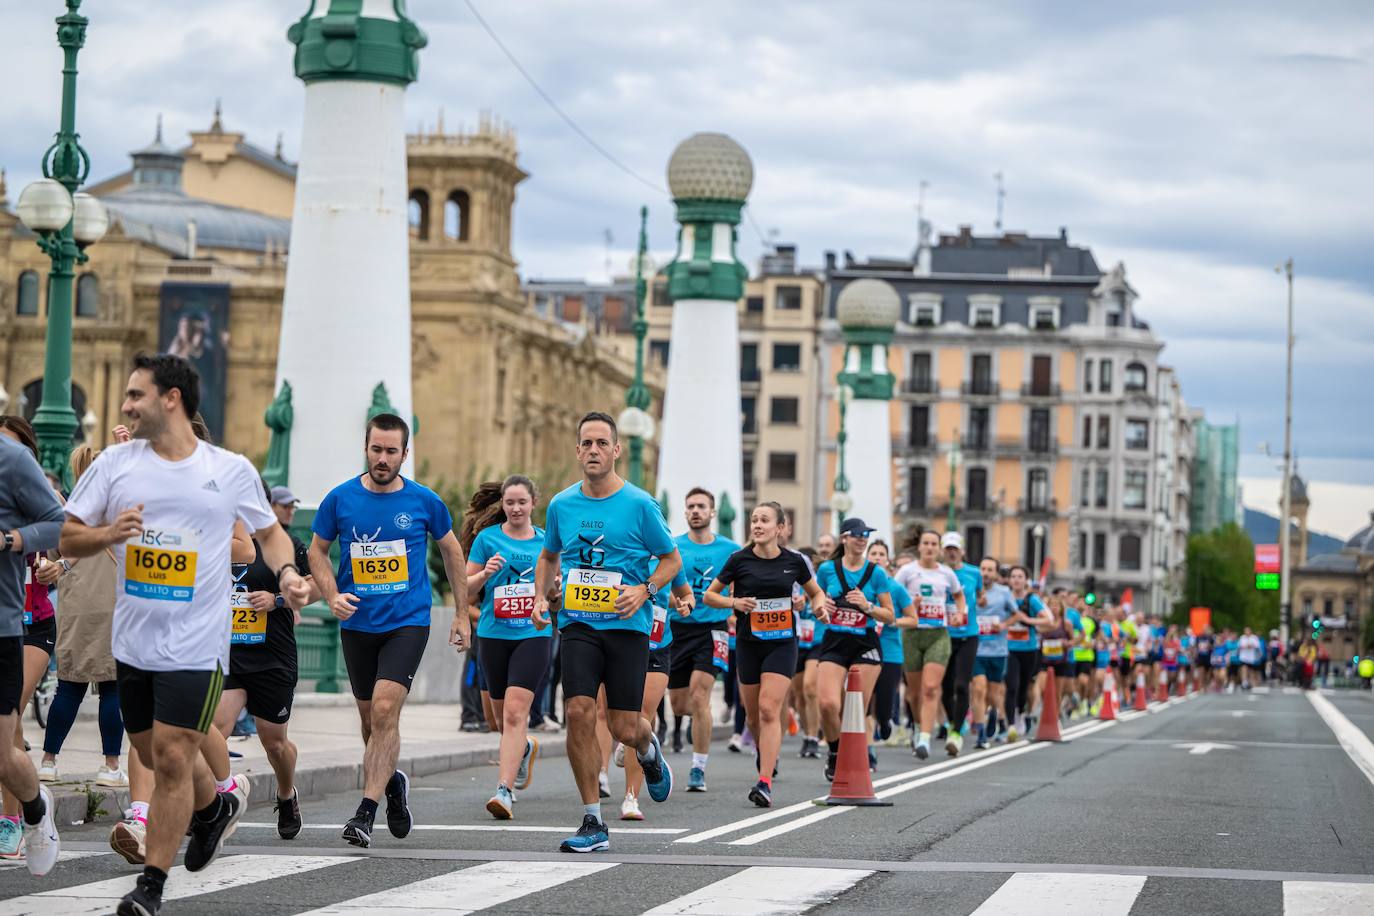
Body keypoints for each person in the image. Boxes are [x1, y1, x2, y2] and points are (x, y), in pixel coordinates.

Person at [61, 354, 310, 913]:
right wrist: (107, 531)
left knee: (173, 756)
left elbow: (269, 537)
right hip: (134, 644)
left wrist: (290, 573)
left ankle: (150, 887)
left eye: (135, 395)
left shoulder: (229, 470)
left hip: (199, 643)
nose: (125, 405)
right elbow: (68, 538)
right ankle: (214, 808)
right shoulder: (115, 466)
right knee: (150, 749)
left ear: (171, 398)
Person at [308, 412, 469, 848]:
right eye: (376, 450)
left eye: (391, 451)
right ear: (366, 448)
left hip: (407, 622)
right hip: (358, 623)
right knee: (370, 720)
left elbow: (452, 551)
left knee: (383, 710)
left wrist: (460, 613)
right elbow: (316, 552)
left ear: (404, 453)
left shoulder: (424, 502)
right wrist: (331, 594)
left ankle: (364, 813)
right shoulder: (339, 499)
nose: (383, 458)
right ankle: (391, 783)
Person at [531, 412, 680, 853]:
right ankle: (592, 820)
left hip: (627, 628)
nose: (593, 450)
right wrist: (542, 598)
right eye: (586, 443)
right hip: (578, 623)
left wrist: (645, 590)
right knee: (577, 711)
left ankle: (648, 749)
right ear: (577, 451)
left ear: (617, 450)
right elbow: (548, 556)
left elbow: (671, 560)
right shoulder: (561, 505)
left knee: (624, 725)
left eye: (602, 443)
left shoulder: (639, 505)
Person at [705, 502, 831, 807]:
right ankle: (765, 753)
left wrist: (815, 605)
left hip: (782, 642)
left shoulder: (795, 562)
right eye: (754, 520)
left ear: (780, 528)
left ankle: (764, 782)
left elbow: (814, 591)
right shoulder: (738, 560)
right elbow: (710, 595)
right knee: (752, 717)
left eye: (764, 520)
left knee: (768, 709)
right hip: (749, 643)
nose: (757, 525)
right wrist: (734, 604)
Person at [211, 481, 318, 840]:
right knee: (215, 728)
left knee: (273, 742)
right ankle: (218, 801)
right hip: (230, 655)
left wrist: (277, 600)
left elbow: (316, 585)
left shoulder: (281, 544)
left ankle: (286, 794)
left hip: (272, 655)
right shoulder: (217, 538)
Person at [464, 476, 555, 820]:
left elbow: (555, 594)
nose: (516, 508)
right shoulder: (487, 540)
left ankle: (504, 790)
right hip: (493, 634)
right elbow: (466, 591)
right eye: (509, 502)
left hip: (533, 635)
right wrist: (485, 575)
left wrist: (552, 594)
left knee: (516, 713)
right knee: (497, 719)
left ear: (534, 503)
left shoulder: (548, 543)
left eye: (522, 502)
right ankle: (525, 747)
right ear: (502, 504)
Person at [37, 445, 126, 789]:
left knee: (69, 688)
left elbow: (52, 557)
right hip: (115, 604)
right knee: (112, 688)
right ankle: (110, 765)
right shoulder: (120, 510)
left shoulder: (68, 510)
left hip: (76, 605)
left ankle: (48, 761)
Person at [0, 416, 65, 875]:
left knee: (4, 750)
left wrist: (13, 540)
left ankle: (31, 809)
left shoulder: (12, 461)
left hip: (16, 625)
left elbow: (61, 526)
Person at [666, 488, 739, 793]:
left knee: (701, 696)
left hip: (713, 629)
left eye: (701, 506)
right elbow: (661, 583)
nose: (696, 510)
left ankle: (698, 768)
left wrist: (734, 607)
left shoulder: (730, 550)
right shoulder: (672, 547)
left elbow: (739, 586)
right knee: (680, 703)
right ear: (685, 512)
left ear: (712, 513)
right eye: (691, 506)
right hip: (678, 629)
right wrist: (675, 602)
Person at [814, 518, 895, 780]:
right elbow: (814, 606)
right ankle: (836, 752)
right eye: (857, 534)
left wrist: (867, 606)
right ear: (844, 538)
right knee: (827, 703)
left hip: (865, 643)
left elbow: (889, 615)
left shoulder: (876, 573)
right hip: (835, 641)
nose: (862, 539)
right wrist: (822, 608)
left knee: (855, 707)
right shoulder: (827, 570)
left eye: (866, 535)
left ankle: (856, 760)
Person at [620, 556, 691, 820]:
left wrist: (686, 604)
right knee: (616, 720)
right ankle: (647, 749)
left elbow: (685, 593)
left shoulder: (668, 560)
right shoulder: (621, 551)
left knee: (639, 715)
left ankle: (631, 798)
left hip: (657, 646)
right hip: (623, 641)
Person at [893, 530, 964, 760]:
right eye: (926, 543)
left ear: (939, 548)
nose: (930, 547)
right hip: (912, 635)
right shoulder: (907, 571)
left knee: (931, 688)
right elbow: (891, 596)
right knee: (914, 694)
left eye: (934, 543)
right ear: (920, 547)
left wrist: (959, 614)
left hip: (938, 635)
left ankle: (925, 737)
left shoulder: (947, 573)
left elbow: (959, 596)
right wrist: (908, 604)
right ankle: (917, 725)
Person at [937, 532, 982, 755]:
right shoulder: (937, 573)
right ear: (942, 552)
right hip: (943, 636)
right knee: (944, 688)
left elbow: (980, 596)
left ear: (962, 551)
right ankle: (955, 719)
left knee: (962, 685)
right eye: (948, 549)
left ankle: (955, 732)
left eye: (955, 548)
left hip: (968, 636)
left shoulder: (974, 573)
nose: (952, 552)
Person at [866, 541, 912, 749]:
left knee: (884, 704)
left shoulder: (896, 588)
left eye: (881, 554)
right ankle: (868, 749)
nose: (877, 557)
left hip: (890, 652)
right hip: (864, 649)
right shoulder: (860, 586)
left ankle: (884, 721)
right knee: (864, 704)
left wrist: (892, 620)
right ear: (867, 558)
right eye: (873, 553)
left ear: (887, 560)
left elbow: (913, 619)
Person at [1002, 566, 1050, 740]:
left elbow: (1048, 618)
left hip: (1029, 649)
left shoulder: (1032, 599)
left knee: (1023, 687)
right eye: (1013, 576)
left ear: (1026, 580)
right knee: (1011, 686)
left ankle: (1021, 712)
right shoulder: (1003, 596)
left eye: (1020, 576)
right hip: (1008, 649)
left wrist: (1028, 620)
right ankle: (1011, 725)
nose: (1016, 580)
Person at [971, 557, 1013, 749]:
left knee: (993, 694)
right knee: (979, 689)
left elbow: (1017, 614)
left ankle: (994, 713)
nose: (985, 573)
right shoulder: (971, 589)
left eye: (990, 570)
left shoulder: (1004, 592)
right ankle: (981, 733)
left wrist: (1003, 625)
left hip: (998, 650)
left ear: (995, 574)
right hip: (976, 648)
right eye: (983, 569)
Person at [790, 545, 825, 759]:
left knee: (811, 688)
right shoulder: (791, 584)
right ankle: (807, 733)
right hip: (796, 641)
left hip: (817, 642)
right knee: (799, 694)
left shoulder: (818, 585)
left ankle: (814, 737)